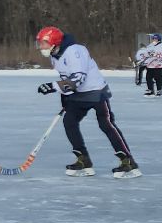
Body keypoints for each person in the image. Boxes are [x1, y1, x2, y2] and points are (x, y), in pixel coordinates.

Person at [35, 26, 139, 178]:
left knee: (106, 124)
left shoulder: (75, 51)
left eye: (43, 43)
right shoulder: (54, 55)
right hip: (78, 95)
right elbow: (66, 78)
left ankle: (128, 162)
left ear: (53, 42)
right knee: (69, 121)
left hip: (96, 92)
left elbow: (78, 79)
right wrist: (65, 98)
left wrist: (52, 87)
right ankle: (83, 160)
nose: (40, 47)